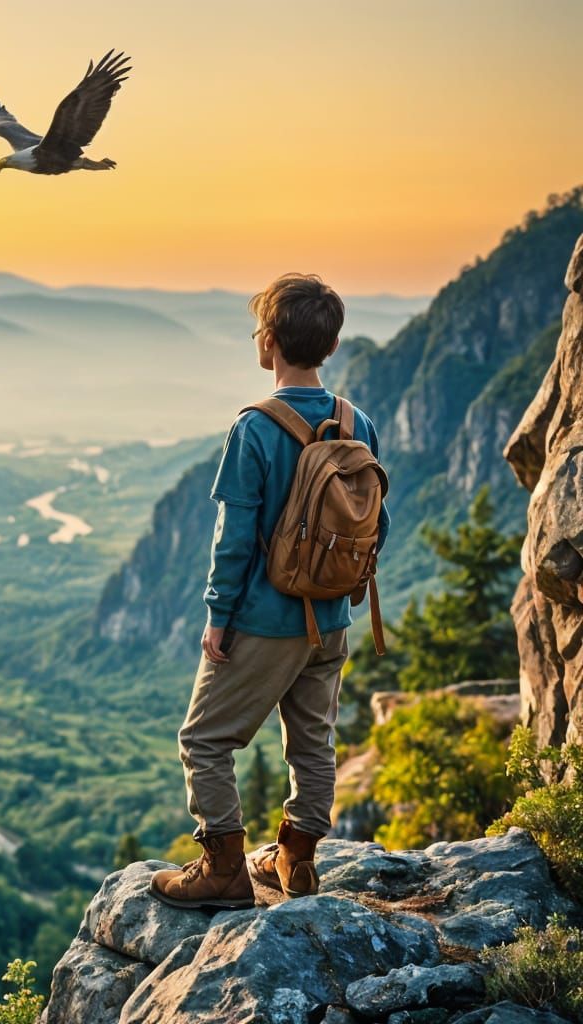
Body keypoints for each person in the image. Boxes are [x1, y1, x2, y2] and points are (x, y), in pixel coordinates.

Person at [151, 272, 390, 910]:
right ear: (329, 345)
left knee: (203, 740)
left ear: (268, 342)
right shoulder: (355, 420)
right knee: (313, 741)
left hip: (263, 619)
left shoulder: (255, 427)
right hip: (333, 617)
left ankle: (224, 867)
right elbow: (376, 523)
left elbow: (233, 539)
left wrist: (217, 617)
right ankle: (298, 860)